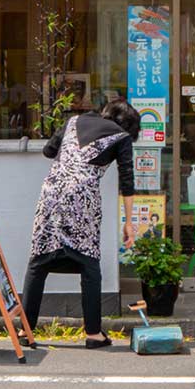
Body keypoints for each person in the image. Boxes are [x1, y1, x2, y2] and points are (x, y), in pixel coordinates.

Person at [24, 98, 139, 348]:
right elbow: (127, 181)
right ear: (128, 125)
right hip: (82, 198)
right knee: (88, 264)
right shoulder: (121, 136)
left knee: (39, 261)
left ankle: (26, 331)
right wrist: (128, 222)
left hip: (51, 192)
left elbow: (48, 151)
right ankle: (94, 333)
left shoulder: (73, 121)